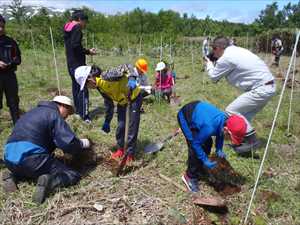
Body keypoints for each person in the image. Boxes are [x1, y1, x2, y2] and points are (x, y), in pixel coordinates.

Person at [1, 96, 91, 204]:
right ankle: (50, 183)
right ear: (63, 106)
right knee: (72, 174)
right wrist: (81, 144)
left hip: (9, 158)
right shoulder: (54, 115)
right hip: (31, 158)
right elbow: (68, 143)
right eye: (68, 112)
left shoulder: (30, 113)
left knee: (28, 169)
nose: (67, 117)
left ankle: (13, 175)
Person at [205, 37, 276, 153]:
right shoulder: (236, 50)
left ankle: (253, 141)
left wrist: (208, 63)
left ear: (218, 48)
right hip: (268, 85)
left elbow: (214, 77)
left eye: (213, 49)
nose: (213, 52)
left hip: (261, 88)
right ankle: (244, 143)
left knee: (231, 111)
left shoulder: (226, 58)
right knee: (243, 116)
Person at [74, 59, 148, 165]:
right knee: (121, 127)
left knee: (132, 127)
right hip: (122, 102)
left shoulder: (107, 75)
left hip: (134, 98)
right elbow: (109, 104)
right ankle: (121, 149)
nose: (88, 88)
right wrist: (107, 121)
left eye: (86, 85)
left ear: (89, 78)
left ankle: (130, 154)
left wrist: (132, 78)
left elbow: (127, 65)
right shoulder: (100, 88)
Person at [178, 101, 247, 192]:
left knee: (208, 142)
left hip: (198, 113)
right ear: (226, 130)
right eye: (231, 137)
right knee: (194, 146)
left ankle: (199, 167)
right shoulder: (209, 127)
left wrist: (219, 148)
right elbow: (196, 144)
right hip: (185, 116)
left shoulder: (224, 121)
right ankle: (190, 176)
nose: (230, 140)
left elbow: (220, 132)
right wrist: (205, 159)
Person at [63, 10, 96, 122]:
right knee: (83, 88)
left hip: (70, 63)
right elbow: (76, 45)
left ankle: (78, 111)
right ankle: (85, 116)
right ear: (80, 20)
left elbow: (71, 46)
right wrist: (88, 51)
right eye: (85, 22)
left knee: (76, 87)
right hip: (78, 64)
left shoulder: (67, 27)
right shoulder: (77, 28)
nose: (85, 24)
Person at [0, 14, 21, 125]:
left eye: (3, 26)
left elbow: (18, 58)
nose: (1, 29)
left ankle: (17, 124)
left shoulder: (10, 42)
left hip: (10, 75)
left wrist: (10, 63)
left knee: (13, 101)